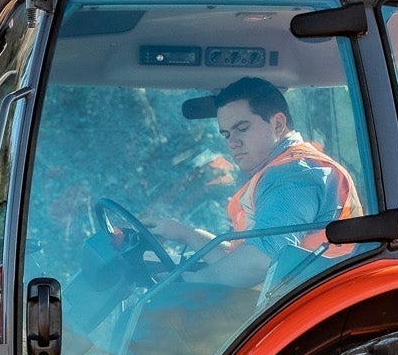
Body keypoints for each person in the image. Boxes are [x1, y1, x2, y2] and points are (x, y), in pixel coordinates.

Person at [148, 76, 361, 291]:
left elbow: (260, 261)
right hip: (306, 297)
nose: (232, 143)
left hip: (317, 302)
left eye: (242, 128)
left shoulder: (295, 174)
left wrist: (185, 283)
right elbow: (241, 261)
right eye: (226, 134)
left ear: (277, 124)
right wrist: (186, 234)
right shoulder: (282, 168)